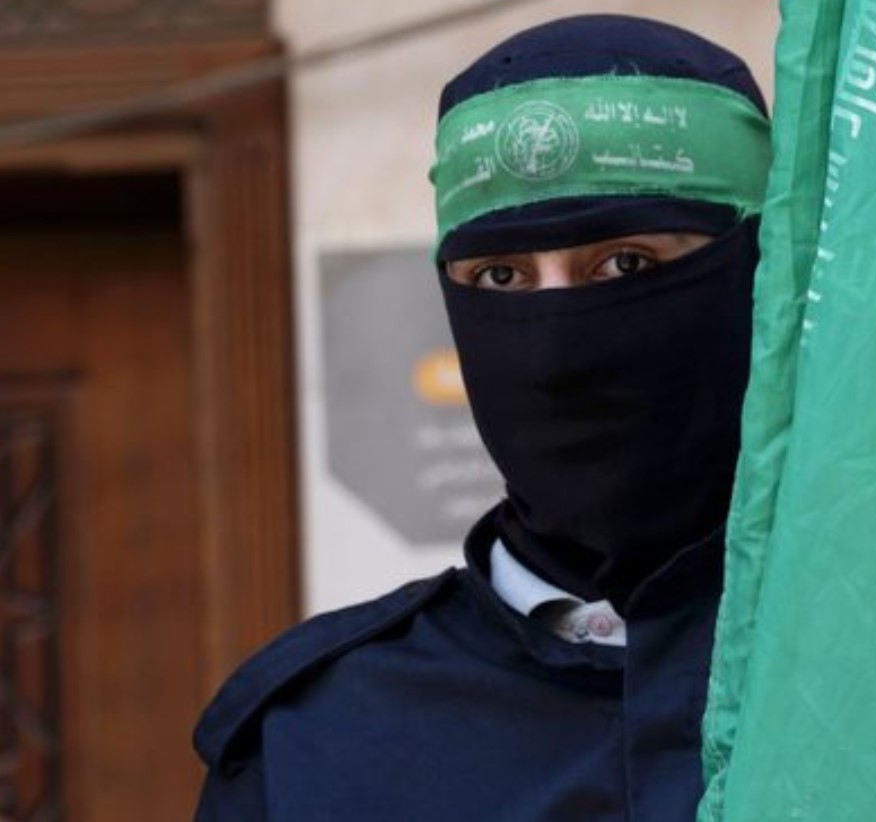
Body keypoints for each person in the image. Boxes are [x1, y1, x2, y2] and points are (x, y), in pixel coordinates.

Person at [192, 14, 771, 821]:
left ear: (757, 275)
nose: (558, 347)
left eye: (625, 263)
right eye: (501, 277)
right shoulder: (310, 743)